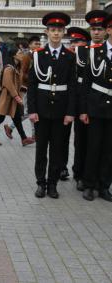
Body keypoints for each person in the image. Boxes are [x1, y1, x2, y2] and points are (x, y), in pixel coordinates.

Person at [28, 12, 76, 199]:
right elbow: (32, 84)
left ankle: (53, 184)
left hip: (61, 111)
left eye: (59, 30)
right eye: (52, 30)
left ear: (63, 33)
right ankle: (41, 183)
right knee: (41, 150)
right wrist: (31, 110)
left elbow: (72, 86)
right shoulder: (38, 55)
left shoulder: (69, 56)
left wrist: (70, 112)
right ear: (47, 32)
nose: (56, 33)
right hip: (41, 109)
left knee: (57, 149)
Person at [72, 10, 107, 196]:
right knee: (82, 141)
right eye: (93, 29)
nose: (96, 32)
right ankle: (79, 174)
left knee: (100, 145)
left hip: (103, 104)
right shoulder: (81, 51)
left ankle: (98, 180)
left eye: (100, 29)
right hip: (83, 102)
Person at [78, 14, 112, 202]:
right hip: (95, 106)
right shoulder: (94, 52)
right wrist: (83, 110)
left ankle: (104, 185)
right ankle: (89, 184)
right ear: (108, 30)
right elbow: (86, 84)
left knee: (109, 149)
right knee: (93, 147)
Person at [57, 27, 91, 182]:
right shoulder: (66, 57)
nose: (74, 45)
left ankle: (79, 171)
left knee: (80, 139)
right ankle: (61, 167)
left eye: (78, 42)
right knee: (62, 137)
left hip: (82, 102)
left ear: (85, 43)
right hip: (66, 102)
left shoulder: (89, 57)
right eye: (72, 41)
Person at [0, 47, 34, 146]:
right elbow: (8, 84)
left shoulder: (18, 67)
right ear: (14, 56)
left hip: (14, 98)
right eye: (19, 53)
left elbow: (20, 83)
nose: (22, 54)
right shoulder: (9, 68)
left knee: (17, 118)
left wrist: (23, 90)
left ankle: (24, 138)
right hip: (7, 97)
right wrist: (17, 97)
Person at [4, 35, 40, 139]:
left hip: (37, 88)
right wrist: (33, 78)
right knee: (29, 111)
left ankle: (10, 127)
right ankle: (34, 134)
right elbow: (22, 73)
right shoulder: (26, 57)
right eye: (35, 43)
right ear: (30, 45)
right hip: (28, 87)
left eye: (39, 43)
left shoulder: (39, 55)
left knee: (30, 111)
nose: (38, 45)